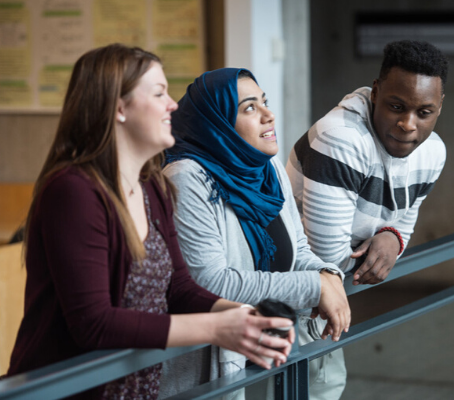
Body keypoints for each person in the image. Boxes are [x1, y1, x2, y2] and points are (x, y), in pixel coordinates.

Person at [6, 44, 295, 399]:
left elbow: (179, 287)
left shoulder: (152, 185)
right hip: (70, 389)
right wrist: (218, 327)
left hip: (137, 386)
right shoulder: (73, 191)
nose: (173, 105)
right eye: (159, 93)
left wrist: (245, 316)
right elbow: (93, 324)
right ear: (120, 108)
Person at [158, 68, 351, 399]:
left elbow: (297, 248)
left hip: (265, 346)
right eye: (249, 108)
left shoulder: (266, 168)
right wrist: (313, 286)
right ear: (216, 123)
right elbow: (210, 283)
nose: (268, 114)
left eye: (265, 102)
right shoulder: (186, 178)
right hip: (208, 365)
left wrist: (326, 275)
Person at [286, 40, 448, 397]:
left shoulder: (433, 151)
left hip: (324, 300)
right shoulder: (340, 138)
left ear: (439, 108)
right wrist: (381, 244)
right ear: (375, 92)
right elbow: (327, 258)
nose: (408, 124)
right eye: (396, 106)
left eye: (424, 112)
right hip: (284, 300)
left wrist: (392, 236)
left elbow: (403, 223)